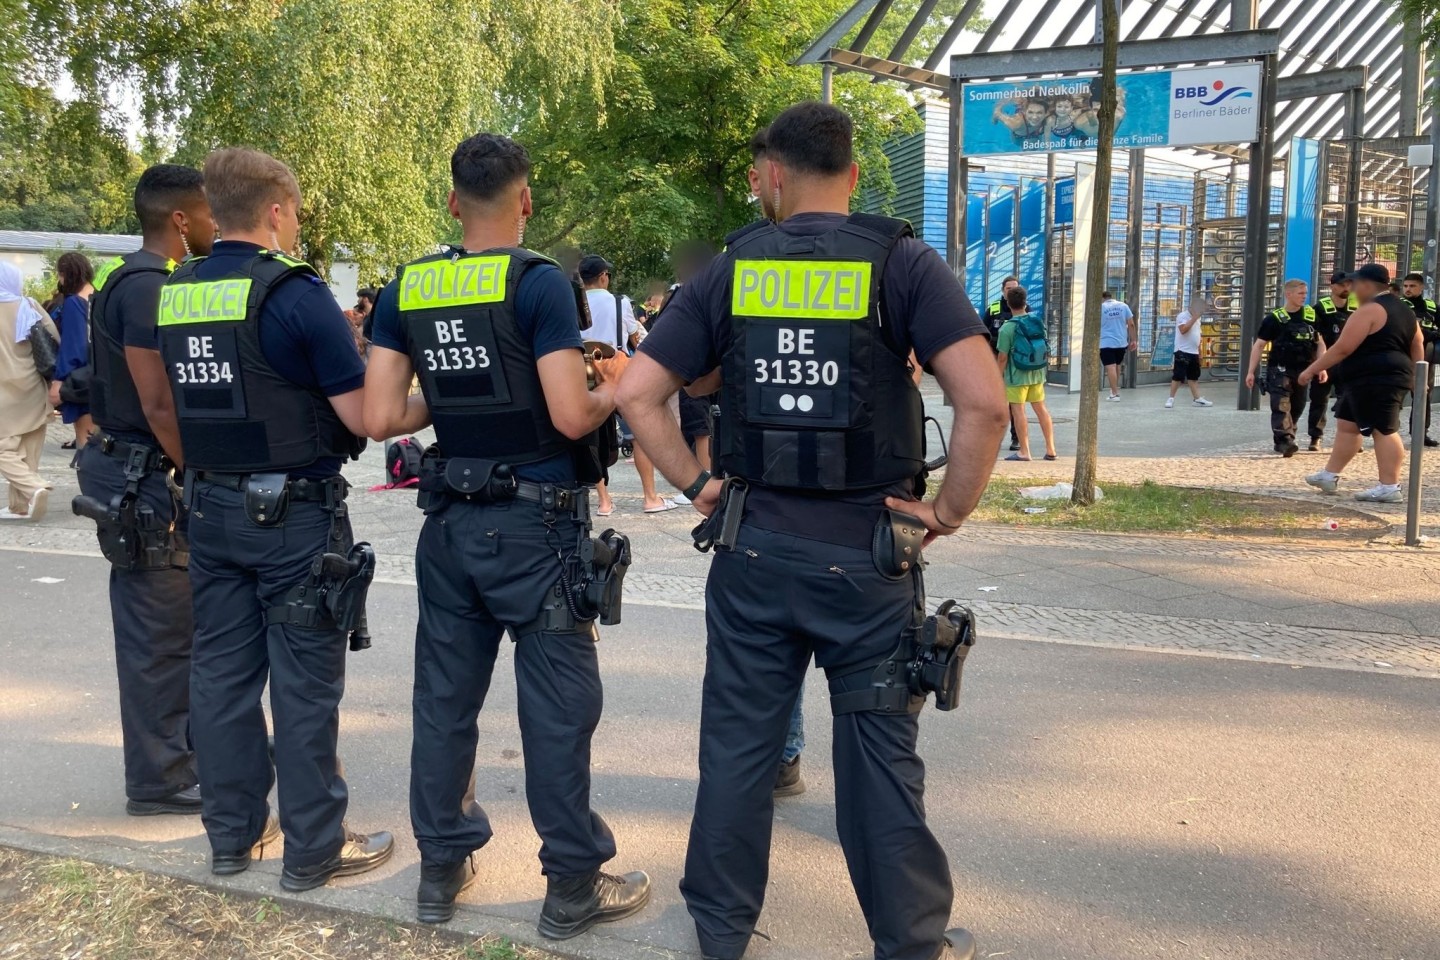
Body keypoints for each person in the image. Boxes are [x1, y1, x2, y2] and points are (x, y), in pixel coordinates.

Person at [617, 100, 1006, 960]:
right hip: (868, 558)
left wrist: (696, 486)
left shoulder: (731, 268)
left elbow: (636, 394)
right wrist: (944, 514)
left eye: (758, 174)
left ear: (776, 176)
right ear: (855, 174)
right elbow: (983, 401)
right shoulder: (903, 263)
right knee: (877, 757)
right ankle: (911, 944)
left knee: (738, 748)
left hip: (753, 550)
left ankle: (720, 934)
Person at [362, 131, 650, 934]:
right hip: (541, 526)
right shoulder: (540, 283)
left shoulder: (409, 286)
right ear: (525, 201)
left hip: (449, 523)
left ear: (453, 201)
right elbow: (568, 414)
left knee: (444, 702)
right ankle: (569, 888)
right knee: (557, 708)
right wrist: (617, 385)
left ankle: (441, 870)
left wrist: (452, 402)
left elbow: (383, 415)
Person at [158, 147, 391, 889]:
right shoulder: (294, 293)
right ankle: (314, 848)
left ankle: (231, 836)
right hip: (293, 517)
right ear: (277, 210)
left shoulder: (180, 290)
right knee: (303, 685)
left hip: (211, 506)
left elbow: (171, 402)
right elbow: (361, 415)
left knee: (221, 675)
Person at [74, 164, 216, 817]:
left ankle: (190, 752)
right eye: (209, 214)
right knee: (160, 631)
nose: (217, 225)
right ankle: (160, 778)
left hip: (132, 468)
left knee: (175, 622)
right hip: (146, 474)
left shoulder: (127, 278)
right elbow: (159, 403)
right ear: (181, 221)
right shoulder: (149, 287)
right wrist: (197, 474)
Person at [1299, 263, 1422, 502]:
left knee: (1383, 429)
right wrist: (1417, 375)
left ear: (1367, 284)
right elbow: (1417, 343)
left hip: (1377, 379)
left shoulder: (1369, 310)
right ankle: (1329, 474)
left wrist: (1312, 369)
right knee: (1348, 422)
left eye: (1354, 284)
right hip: (1378, 378)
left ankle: (1389, 486)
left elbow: (1344, 347)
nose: (1352, 289)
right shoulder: (1404, 309)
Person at [581, 253, 678, 515]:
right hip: (617, 373)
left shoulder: (572, 302)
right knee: (637, 435)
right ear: (603, 277)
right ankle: (650, 498)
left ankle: (604, 502)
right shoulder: (619, 301)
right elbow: (636, 337)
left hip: (586, 376)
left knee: (592, 438)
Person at [1245, 279, 1324, 457]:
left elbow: (1320, 344)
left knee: (1297, 406)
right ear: (1288, 294)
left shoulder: (1311, 316)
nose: (1304, 296)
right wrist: (1251, 372)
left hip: (1304, 369)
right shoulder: (1274, 319)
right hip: (1279, 369)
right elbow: (1259, 345)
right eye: (1300, 293)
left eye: (1305, 293)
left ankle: (1285, 437)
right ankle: (1285, 440)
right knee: (1281, 405)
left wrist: (1322, 367)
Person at [0, 263, 53, 521]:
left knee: (3, 449)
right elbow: (54, 337)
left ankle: (33, 488)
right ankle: (19, 506)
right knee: (30, 444)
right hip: (32, 386)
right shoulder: (28, 305)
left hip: (3, 391)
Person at [997, 285, 1057, 461]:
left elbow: (1002, 357)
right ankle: (1051, 449)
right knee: (1041, 409)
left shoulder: (1007, 328)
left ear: (1008, 304)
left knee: (1018, 411)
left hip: (1016, 377)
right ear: (1025, 302)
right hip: (1037, 373)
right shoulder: (1036, 321)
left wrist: (997, 379)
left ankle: (1024, 451)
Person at [50, 251, 96, 449]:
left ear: (65, 274)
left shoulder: (73, 303)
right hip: (102, 373)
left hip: (80, 379)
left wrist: (59, 381)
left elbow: (73, 346)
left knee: (85, 440)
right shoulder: (99, 296)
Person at [1307, 271, 1354, 449]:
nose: (1346, 288)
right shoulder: (1319, 308)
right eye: (1342, 285)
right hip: (1325, 361)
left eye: (1349, 284)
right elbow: (1315, 338)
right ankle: (1315, 437)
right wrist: (1318, 364)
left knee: (1350, 400)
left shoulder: (1358, 307)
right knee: (1319, 400)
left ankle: (1351, 439)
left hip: (1349, 362)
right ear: (1332, 286)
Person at [1400, 272, 1437, 446]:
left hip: (1425, 357)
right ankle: (1386, 432)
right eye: (1406, 286)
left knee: (1423, 395)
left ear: (1421, 288)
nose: (1408, 289)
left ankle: (1420, 433)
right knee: (1396, 394)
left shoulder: (1431, 307)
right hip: (1402, 354)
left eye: (1412, 286)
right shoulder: (1399, 305)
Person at [984, 277, 1022, 449]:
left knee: (1015, 402)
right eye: (1008, 288)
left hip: (1016, 363)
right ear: (1002, 290)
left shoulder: (1024, 309)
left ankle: (1016, 438)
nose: (1012, 291)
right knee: (994, 402)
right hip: (995, 359)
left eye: (1015, 288)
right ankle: (990, 437)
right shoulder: (993, 309)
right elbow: (982, 333)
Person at [1165, 295, 1214, 408]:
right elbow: (1183, 330)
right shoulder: (1183, 316)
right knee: (1178, 375)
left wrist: (1199, 351)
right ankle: (1171, 398)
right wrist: (1194, 318)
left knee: (1193, 376)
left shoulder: (1198, 320)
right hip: (1182, 350)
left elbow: (1198, 335)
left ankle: (1197, 399)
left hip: (1193, 352)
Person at [1099, 290, 1135, 400]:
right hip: (1121, 342)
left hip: (1106, 342)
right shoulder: (1123, 306)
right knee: (1117, 365)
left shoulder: (1101, 308)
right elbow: (1131, 324)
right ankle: (1113, 390)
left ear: (1102, 298)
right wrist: (1133, 340)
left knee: (1110, 367)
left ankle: (1115, 393)